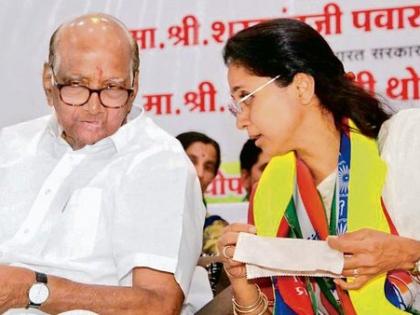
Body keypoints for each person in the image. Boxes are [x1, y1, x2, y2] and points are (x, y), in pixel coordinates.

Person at [0, 13, 205, 314]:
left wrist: (33, 289)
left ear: (134, 86)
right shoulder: (9, 145)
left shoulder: (159, 163)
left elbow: (159, 305)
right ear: (48, 81)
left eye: (112, 88)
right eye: (76, 85)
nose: (94, 107)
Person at [217, 18, 420, 314]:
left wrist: (410, 255)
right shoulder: (270, 193)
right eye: (235, 105)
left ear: (301, 87)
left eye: (246, 98)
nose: (241, 120)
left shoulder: (405, 143)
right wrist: (243, 286)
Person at [176, 131, 229, 295]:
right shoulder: (145, 212)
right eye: (191, 161)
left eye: (208, 167)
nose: (199, 173)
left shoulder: (213, 227)